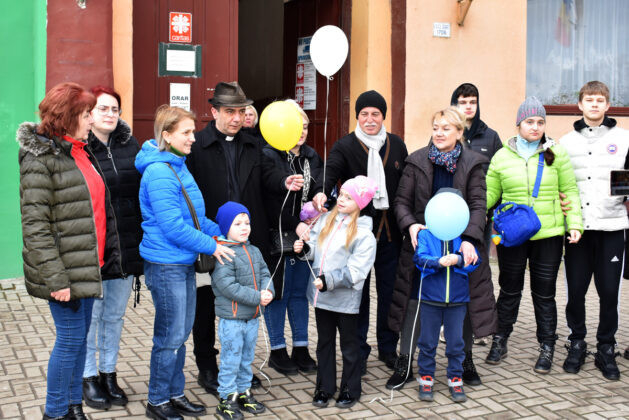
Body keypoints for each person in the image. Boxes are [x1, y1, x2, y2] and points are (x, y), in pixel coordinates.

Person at [18, 82, 122, 420]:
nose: (92, 119)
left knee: (78, 341)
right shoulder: (40, 158)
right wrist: (57, 279)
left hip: (88, 265)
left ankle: (73, 407)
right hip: (64, 272)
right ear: (67, 116)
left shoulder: (78, 151)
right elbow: (36, 227)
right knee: (70, 341)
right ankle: (54, 412)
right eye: (87, 113)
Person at [187, 81, 298, 393]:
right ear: (214, 112)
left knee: (244, 308)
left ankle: (239, 368)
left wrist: (283, 181)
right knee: (206, 306)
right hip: (211, 239)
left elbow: (267, 176)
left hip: (247, 240)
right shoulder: (197, 146)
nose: (236, 118)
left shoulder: (252, 144)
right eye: (229, 112)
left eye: (240, 111)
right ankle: (207, 367)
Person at [135, 105, 235, 420]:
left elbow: (195, 217)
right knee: (169, 337)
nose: (193, 138)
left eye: (193, 131)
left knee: (179, 335)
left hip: (182, 262)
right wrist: (212, 246)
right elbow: (173, 227)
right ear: (167, 135)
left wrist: (223, 236)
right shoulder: (159, 172)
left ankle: (175, 394)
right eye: (186, 132)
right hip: (166, 265)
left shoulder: (178, 166)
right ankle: (157, 401)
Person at [388, 107, 495, 390]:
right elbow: (401, 202)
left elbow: (479, 205)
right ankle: (405, 362)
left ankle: (466, 360)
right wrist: (410, 224)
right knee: (414, 301)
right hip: (424, 243)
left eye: (446, 128)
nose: (439, 133)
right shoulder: (416, 161)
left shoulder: (473, 163)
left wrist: (470, 239)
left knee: (465, 301)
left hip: (462, 243)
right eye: (436, 127)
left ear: (459, 132)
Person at [312, 90, 408, 373]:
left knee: (389, 293)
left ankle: (388, 348)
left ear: (383, 117)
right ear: (357, 117)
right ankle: (359, 352)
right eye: (364, 114)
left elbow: (406, 184)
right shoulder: (345, 145)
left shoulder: (397, 145)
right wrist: (321, 191)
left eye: (375, 114)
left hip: (390, 234)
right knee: (358, 294)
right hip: (355, 233)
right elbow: (329, 173)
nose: (370, 119)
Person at [485, 97, 583, 374]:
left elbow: (570, 190)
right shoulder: (502, 156)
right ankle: (500, 339)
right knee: (509, 289)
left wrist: (574, 223)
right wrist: (472, 209)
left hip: (548, 234)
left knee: (544, 294)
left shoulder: (557, 153)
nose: (535, 127)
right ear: (518, 124)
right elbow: (490, 193)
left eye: (540, 122)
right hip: (513, 234)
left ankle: (547, 346)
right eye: (529, 121)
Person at [559, 81, 629, 380]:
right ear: (580, 105)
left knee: (609, 292)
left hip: (611, 226)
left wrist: (619, 198)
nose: (595, 105)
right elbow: (556, 180)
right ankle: (576, 342)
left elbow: (626, 177)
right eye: (589, 100)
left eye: (600, 100)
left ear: (608, 105)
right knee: (575, 291)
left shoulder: (624, 139)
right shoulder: (564, 142)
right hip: (578, 230)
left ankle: (606, 347)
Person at [82, 86, 143, 410]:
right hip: (94, 247)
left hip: (126, 245)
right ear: (89, 114)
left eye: (114, 109)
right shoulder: (80, 148)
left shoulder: (129, 145)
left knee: (115, 315)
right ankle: (88, 377)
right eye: (102, 108)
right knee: (92, 316)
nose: (109, 114)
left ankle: (108, 373)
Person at [296, 175, 377, 409]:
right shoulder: (326, 220)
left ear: (360, 203)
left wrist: (328, 280)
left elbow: (356, 271)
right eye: (341, 194)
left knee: (349, 346)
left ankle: (350, 388)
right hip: (322, 297)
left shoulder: (364, 235)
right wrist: (304, 249)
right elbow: (315, 249)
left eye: (348, 198)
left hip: (345, 300)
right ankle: (324, 387)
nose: (341, 200)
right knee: (324, 343)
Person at [262, 100, 322, 375]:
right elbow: (269, 196)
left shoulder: (311, 156)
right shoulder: (269, 155)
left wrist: (320, 197)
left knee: (299, 293)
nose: (302, 131)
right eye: (297, 126)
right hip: (278, 233)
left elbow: (318, 184)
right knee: (279, 294)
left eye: (306, 126)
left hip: (305, 232)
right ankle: (277, 350)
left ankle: (301, 347)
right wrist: (294, 223)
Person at [414, 189, 480, 403]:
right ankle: (426, 377)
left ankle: (455, 378)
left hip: (458, 300)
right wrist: (438, 262)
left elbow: (475, 262)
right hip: (430, 299)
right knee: (427, 341)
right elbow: (419, 259)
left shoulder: (465, 237)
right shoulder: (425, 234)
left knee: (456, 343)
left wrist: (459, 260)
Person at [212, 202, 275, 420]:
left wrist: (268, 291)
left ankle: (243, 391)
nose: (244, 227)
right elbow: (228, 286)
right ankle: (227, 398)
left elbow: (265, 273)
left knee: (246, 358)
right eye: (237, 224)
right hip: (233, 320)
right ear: (225, 227)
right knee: (231, 359)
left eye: (246, 223)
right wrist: (257, 297)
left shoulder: (254, 250)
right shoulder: (224, 252)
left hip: (252, 318)